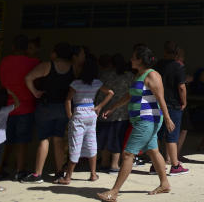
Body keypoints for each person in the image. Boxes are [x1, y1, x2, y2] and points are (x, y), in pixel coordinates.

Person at [98, 45, 175, 201]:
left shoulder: (152, 75)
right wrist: (112, 108)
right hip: (142, 120)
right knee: (153, 151)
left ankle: (114, 191)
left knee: (127, 154)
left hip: (147, 120)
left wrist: (167, 118)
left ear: (140, 60)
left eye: (134, 57)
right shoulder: (139, 75)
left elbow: (161, 98)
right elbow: (130, 95)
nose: (131, 59)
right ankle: (165, 184)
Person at [21, 42, 74, 183]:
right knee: (58, 139)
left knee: (44, 139)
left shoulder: (47, 65)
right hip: (63, 107)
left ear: (55, 53)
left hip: (46, 107)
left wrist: (35, 92)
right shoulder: (73, 68)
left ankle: (37, 174)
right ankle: (59, 172)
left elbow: (28, 78)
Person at [59, 54, 113, 184]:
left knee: (75, 145)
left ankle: (68, 177)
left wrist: (69, 116)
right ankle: (93, 174)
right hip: (91, 113)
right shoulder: (97, 83)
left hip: (78, 113)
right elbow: (111, 93)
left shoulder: (75, 84)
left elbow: (68, 100)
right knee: (91, 143)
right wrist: (99, 106)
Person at [0, 34, 39, 180]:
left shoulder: (4, 61)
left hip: (6, 107)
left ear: (13, 47)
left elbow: (2, 83)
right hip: (26, 107)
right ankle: (20, 170)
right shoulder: (34, 63)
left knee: (4, 140)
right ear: (27, 48)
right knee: (22, 141)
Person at [154, 41, 188, 175]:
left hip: (157, 104)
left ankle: (156, 165)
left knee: (156, 135)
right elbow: (181, 87)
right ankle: (175, 165)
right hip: (173, 105)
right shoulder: (178, 67)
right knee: (172, 136)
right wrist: (184, 102)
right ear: (177, 53)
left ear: (164, 51)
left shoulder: (157, 66)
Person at [97, 54, 132, 173]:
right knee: (118, 138)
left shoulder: (104, 75)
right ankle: (114, 164)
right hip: (122, 113)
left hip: (105, 112)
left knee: (104, 138)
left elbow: (98, 92)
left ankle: (104, 163)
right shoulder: (129, 76)